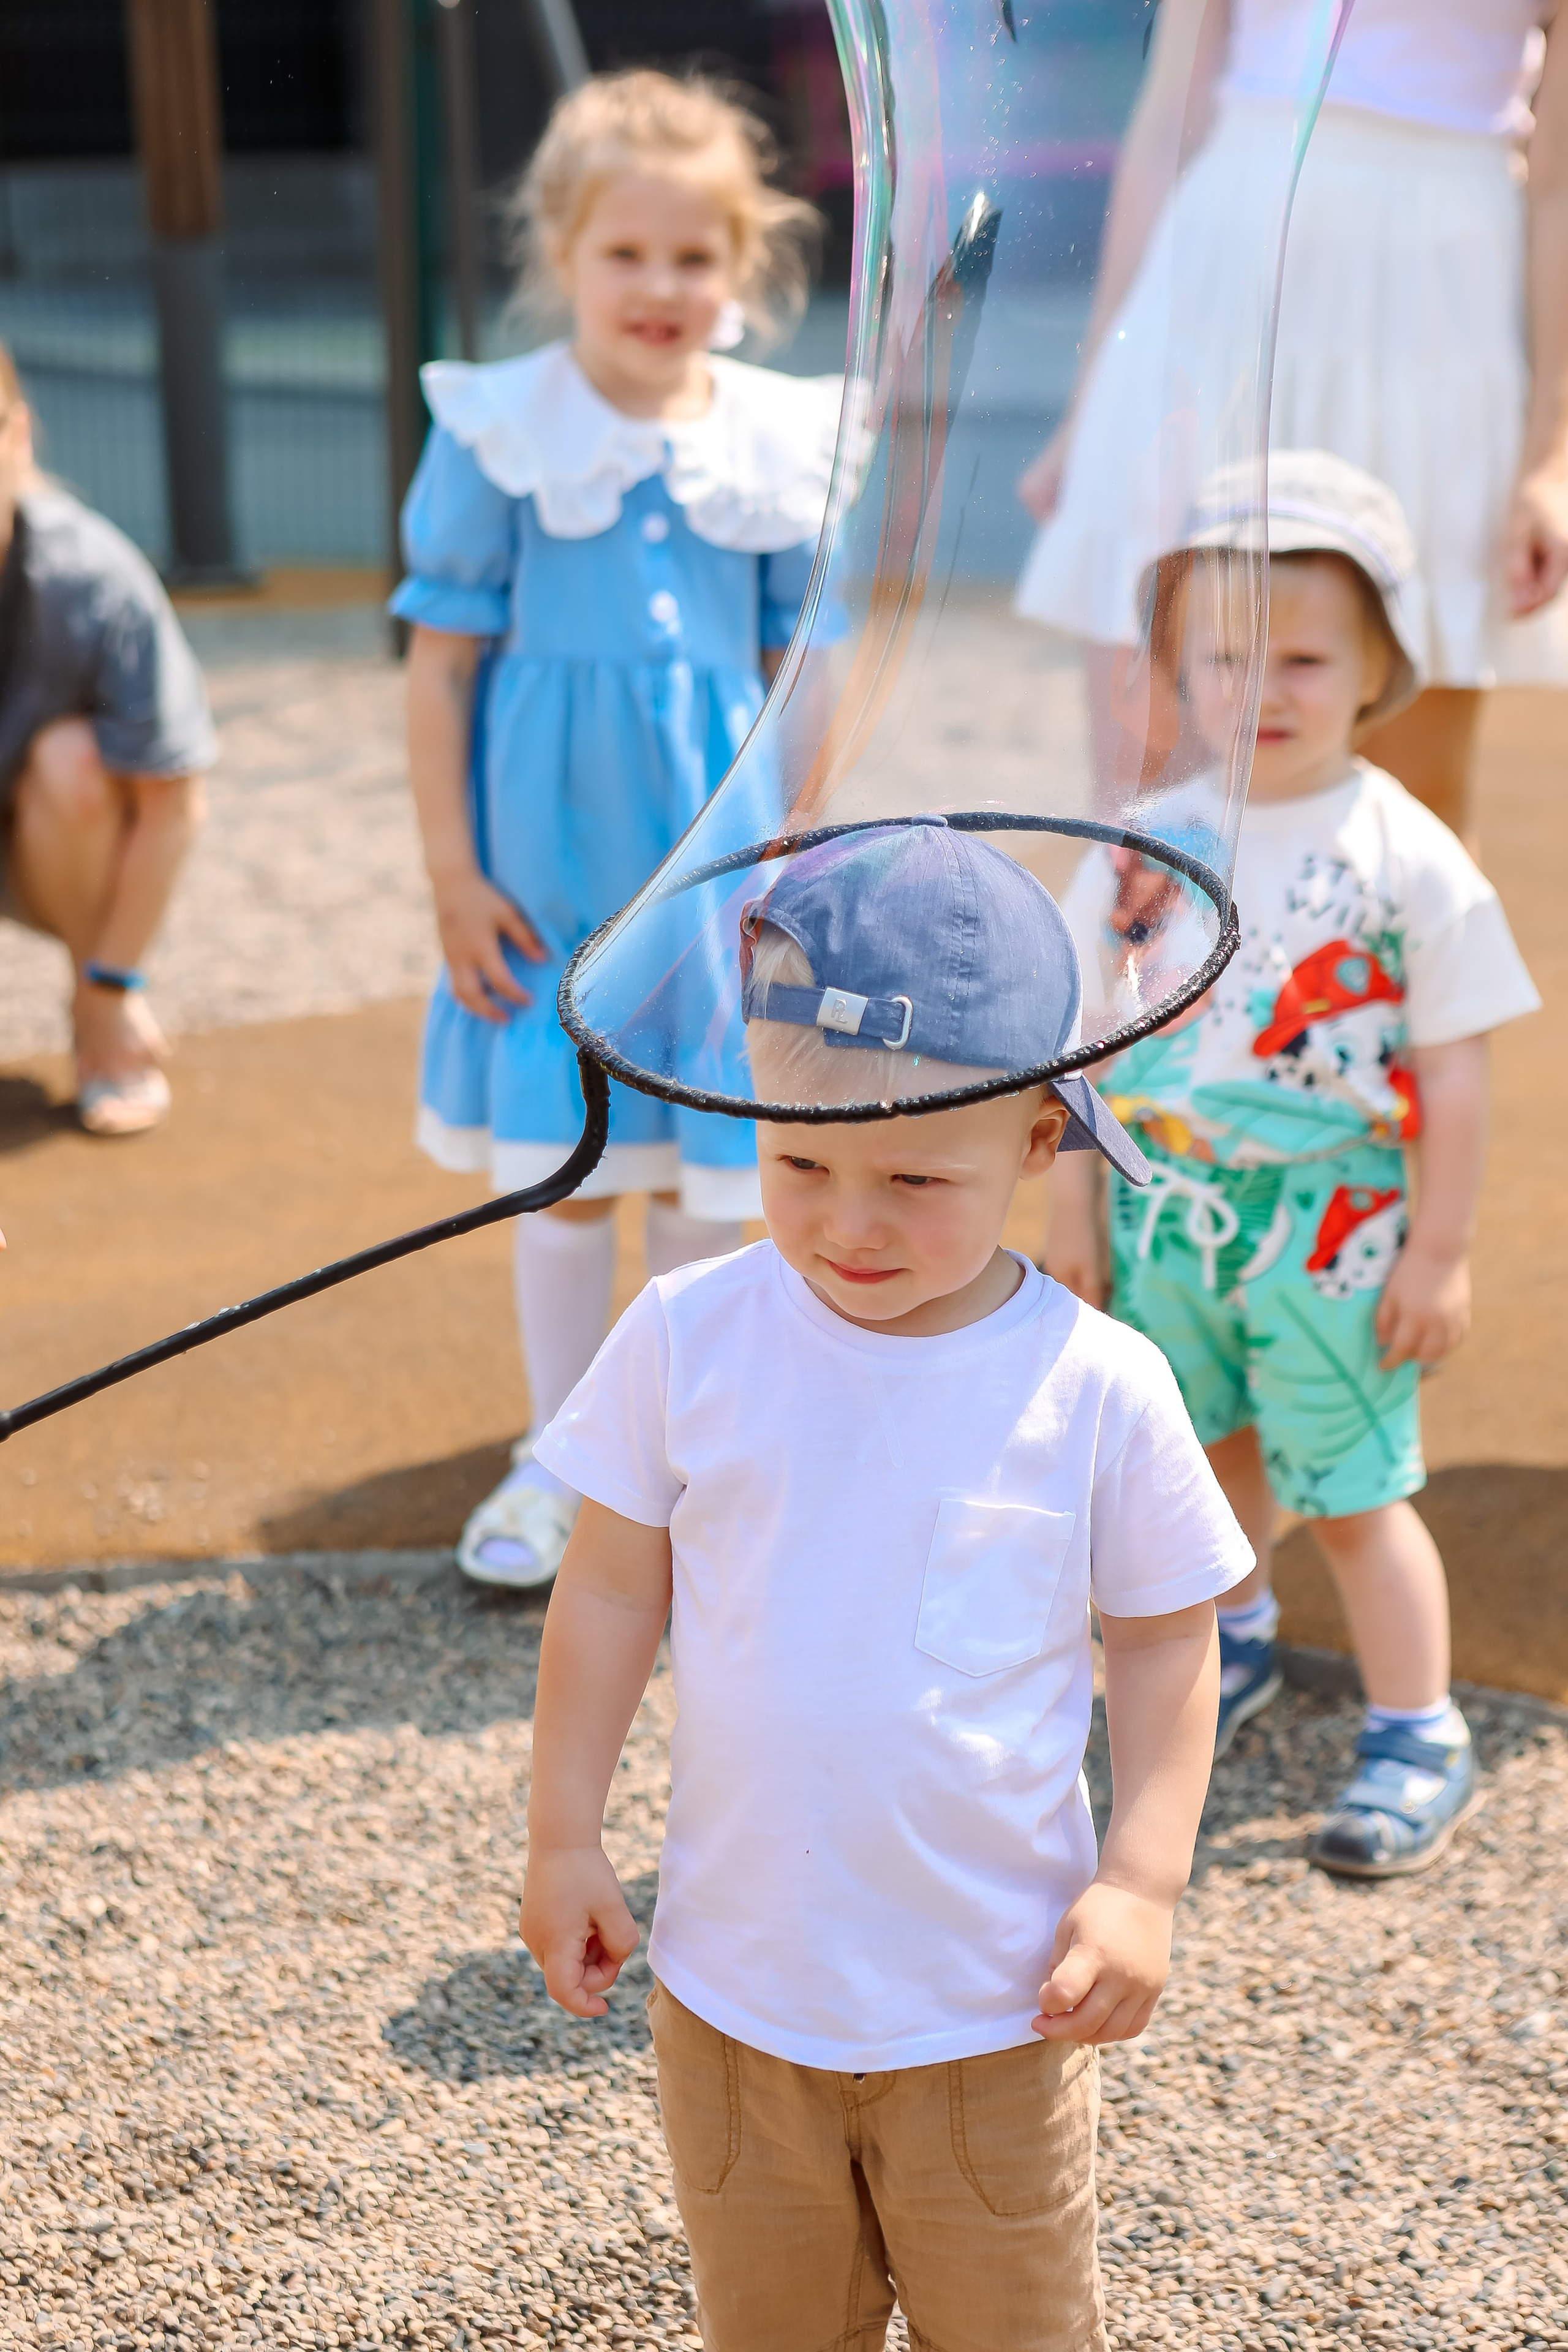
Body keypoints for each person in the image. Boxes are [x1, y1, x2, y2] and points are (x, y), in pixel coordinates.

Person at [519, 821, 1253, 2350]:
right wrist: (563, 1833)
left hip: (993, 2013)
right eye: (800, 1163)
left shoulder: (1096, 1385)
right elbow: (603, 1593)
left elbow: (1166, 1638)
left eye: (916, 1175)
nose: (849, 1224)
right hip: (732, 2007)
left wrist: (1141, 1880)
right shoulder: (686, 1334)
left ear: (1038, 1143)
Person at [1046, 454, 1541, 1878]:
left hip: (1337, 1234)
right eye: (1223, 657)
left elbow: (1452, 1063)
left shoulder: (1403, 852)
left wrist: (1438, 1252)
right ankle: (1230, 1642)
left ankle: (1414, 1726)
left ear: (1380, 663)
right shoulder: (1140, 847)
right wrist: (1072, 1194)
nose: (1261, 689)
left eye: (1306, 657)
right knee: (1196, 1461)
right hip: (1165, 1226)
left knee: (1350, 1489)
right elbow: (1078, 1035)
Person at [394, 70, 840, 1591]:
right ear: (561, 251)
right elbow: (441, 664)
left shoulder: (775, 442)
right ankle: (553, 1454)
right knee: (569, 1174)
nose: (660, 287)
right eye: (626, 254)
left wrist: (802, 841)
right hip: (550, 884)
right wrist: (452, 873)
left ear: (742, 267)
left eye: (694, 257)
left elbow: (804, 658)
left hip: (712, 873)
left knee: (713, 1182)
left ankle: (690, 1457)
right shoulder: (499, 431)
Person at [1016, 0, 1568, 847]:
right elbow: (1169, 124)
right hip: (1221, 284)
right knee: (1146, 816)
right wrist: (1089, 401)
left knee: (1400, 831)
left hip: (1439, 316)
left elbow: (1560, 189)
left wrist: (1549, 460)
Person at [0, 344, 213, 1134]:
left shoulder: (94, 579)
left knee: (75, 762)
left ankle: (100, 1018)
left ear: (18, 434)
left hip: (42, 848)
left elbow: (174, 803)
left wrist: (111, 982)